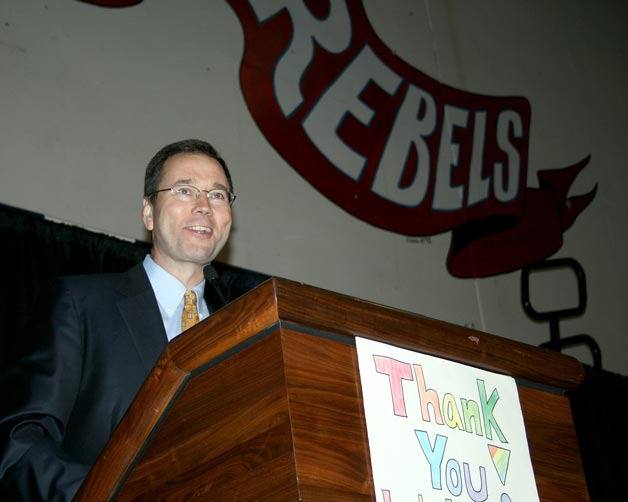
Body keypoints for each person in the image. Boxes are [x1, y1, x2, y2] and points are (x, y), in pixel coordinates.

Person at [0, 139, 235, 501]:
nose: (204, 206)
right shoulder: (81, 304)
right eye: (185, 190)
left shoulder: (243, 335)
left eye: (218, 196)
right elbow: (22, 442)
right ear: (148, 213)